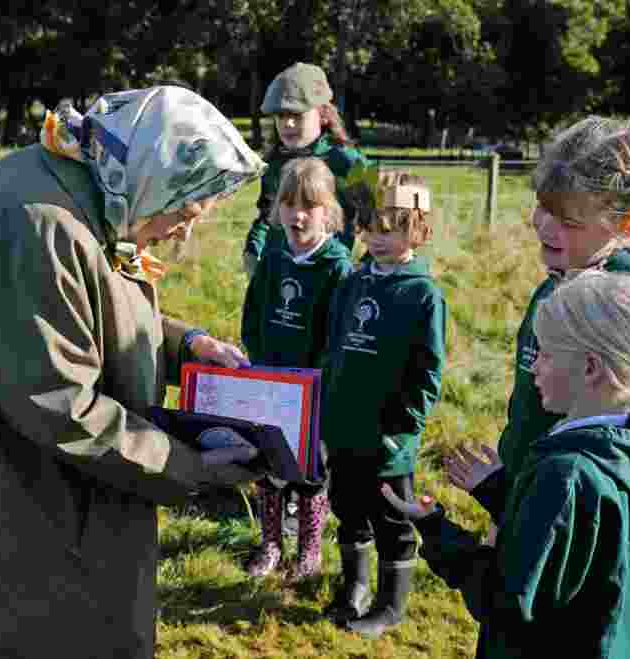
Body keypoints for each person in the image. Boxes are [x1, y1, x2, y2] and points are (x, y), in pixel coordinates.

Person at [0, 87, 268, 659]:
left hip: (47, 487)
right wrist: (189, 466)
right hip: (26, 500)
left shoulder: (95, 186)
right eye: (184, 211)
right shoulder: (39, 223)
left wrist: (188, 346)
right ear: (154, 172)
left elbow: (93, 300)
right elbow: (62, 406)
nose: (184, 232)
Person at [384, 270, 630, 658]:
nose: (534, 368)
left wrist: (436, 530)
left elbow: (504, 602)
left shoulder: (567, 473)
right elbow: (582, 544)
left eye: (545, 353)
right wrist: (500, 493)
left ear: (590, 368)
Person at [466, 116, 630, 558]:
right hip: (532, 492)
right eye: (543, 207)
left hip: (579, 510)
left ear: (626, 226)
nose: (544, 226)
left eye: (568, 221)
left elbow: (615, 437)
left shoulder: (625, 301)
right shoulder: (557, 282)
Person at [318, 171, 446, 638]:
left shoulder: (422, 294)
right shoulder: (352, 284)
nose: (378, 238)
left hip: (389, 437)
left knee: (392, 516)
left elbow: (428, 372)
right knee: (347, 507)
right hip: (344, 427)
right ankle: (354, 587)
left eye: (390, 228)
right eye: (370, 227)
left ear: (417, 229)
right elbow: (333, 349)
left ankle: (390, 605)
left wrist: (402, 426)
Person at [239, 157, 352, 580]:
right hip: (269, 384)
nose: (297, 214)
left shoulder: (337, 267)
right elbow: (252, 317)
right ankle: (270, 545)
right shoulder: (272, 260)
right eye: (288, 204)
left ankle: (308, 551)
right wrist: (259, 365)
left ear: (329, 212)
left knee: (308, 470)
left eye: (309, 205)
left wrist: (311, 382)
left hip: (312, 393)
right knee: (268, 468)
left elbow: (337, 336)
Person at [241, 62, 368, 277]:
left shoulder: (349, 161)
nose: (287, 124)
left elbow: (385, 217)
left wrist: (364, 269)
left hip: (327, 279)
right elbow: (266, 216)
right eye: (280, 115)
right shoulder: (274, 163)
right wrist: (253, 251)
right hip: (278, 275)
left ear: (323, 114)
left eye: (297, 114)